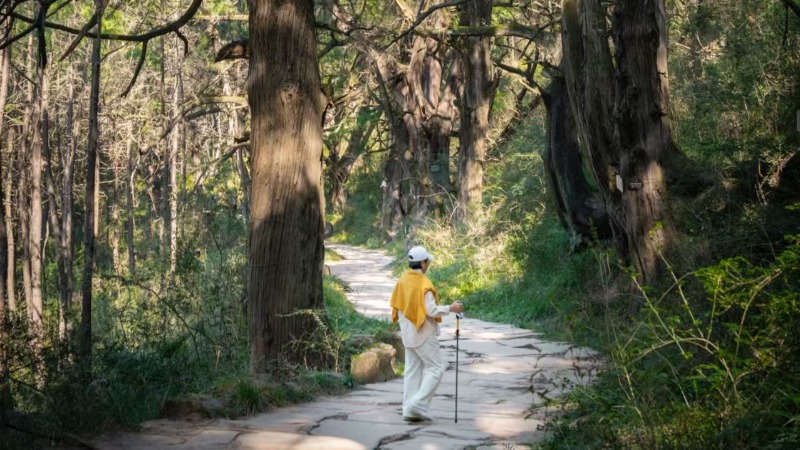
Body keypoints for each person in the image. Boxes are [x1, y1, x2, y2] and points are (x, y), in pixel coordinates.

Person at [390, 245, 463, 422]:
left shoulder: (402, 281)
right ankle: (418, 405)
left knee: (412, 370)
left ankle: (409, 409)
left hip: (408, 334)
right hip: (423, 334)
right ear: (422, 263)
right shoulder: (423, 284)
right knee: (436, 368)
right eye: (427, 261)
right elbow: (430, 310)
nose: (428, 264)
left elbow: (398, 308)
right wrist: (451, 308)